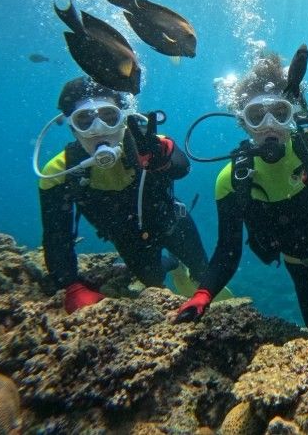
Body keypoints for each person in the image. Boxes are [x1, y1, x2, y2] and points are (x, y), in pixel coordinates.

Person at [174, 52, 308, 338]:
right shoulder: (231, 181)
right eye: (257, 116)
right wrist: (203, 293)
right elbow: (228, 250)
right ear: (243, 123)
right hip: (305, 266)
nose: (269, 125)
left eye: (279, 113)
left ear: (293, 114)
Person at [37, 76, 210, 314]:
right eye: (85, 120)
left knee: (204, 272)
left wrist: (160, 156)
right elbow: (57, 236)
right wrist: (72, 286)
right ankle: (174, 266)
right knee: (153, 282)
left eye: (109, 117)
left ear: (123, 117)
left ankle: (185, 271)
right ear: (72, 128)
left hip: (173, 222)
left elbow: (182, 166)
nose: (98, 130)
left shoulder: (149, 144)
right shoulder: (59, 172)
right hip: (127, 241)